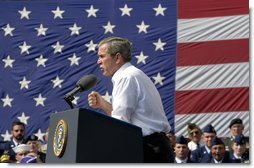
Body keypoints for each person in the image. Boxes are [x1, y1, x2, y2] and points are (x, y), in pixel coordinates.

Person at [87, 36, 174, 163]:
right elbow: (127, 119)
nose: (98, 61)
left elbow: (120, 123)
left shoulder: (126, 77)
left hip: (149, 150)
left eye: (102, 56)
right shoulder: (132, 74)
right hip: (154, 148)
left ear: (117, 57)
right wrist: (103, 104)